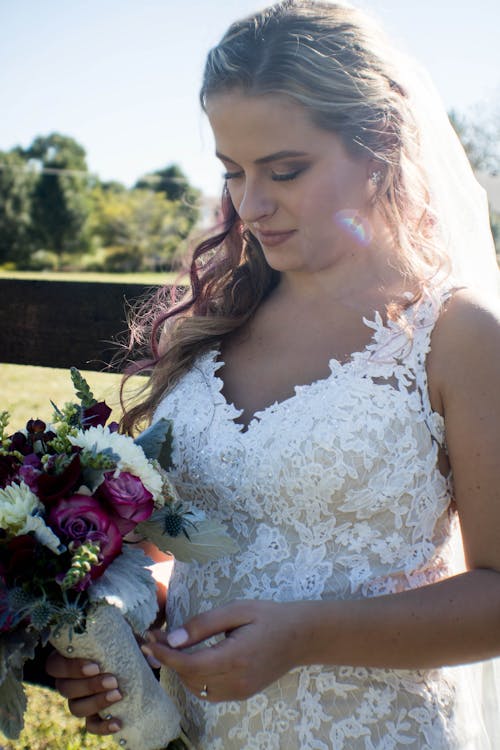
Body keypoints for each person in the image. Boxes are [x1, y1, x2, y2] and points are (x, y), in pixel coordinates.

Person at [46, 1, 500, 747]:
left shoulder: (454, 336)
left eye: (285, 170)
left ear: (380, 145)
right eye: (232, 171)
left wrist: (304, 635)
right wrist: (121, 629)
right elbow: (187, 553)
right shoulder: (213, 328)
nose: (251, 205)